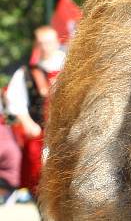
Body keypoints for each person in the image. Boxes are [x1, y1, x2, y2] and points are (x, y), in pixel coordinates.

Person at [6, 25, 66, 197]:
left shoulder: (71, 68)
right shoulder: (26, 73)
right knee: (37, 182)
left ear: (56, 42)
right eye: (41, 43)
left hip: (67, 134)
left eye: (48, 42)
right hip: (40, 137)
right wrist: (27, 123)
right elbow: (15, 100)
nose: (45, 46)